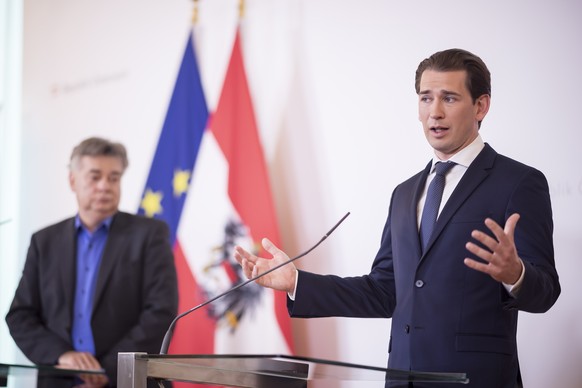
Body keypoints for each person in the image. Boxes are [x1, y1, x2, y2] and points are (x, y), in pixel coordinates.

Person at [234, 49, 561, 388]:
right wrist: (297, 282)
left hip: (475, 380)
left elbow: (547, 291)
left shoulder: (518, 182)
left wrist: (516, 274)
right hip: (402, 377)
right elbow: (385, 290)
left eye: (449, 98)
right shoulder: (404, 194)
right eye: (425, 98)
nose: (434, 112)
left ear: (480, 106)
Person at [6, 137, 178, 387]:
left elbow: (161, 313)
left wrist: (105, 372)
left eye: (114, 177)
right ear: (73, 181)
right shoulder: (44, 241)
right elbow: (20, 316)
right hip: (59, 380)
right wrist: (62, 355)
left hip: (128, 380)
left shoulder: (150, 235)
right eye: (94, 176)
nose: (104, 186)